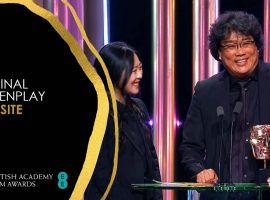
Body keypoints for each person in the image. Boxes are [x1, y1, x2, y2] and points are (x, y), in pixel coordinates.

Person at [180, 11, 270, 199]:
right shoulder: (205, 91)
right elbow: (190, 147)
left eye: (246, 43)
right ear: (219, 53)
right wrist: (200, 171)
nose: (240, 52)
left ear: (258, 46)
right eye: (231, 46)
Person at [84, 42, 162, 200]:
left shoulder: (139, 108)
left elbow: (151, 162)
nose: (139, 75)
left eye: (140, 68)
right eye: (133, 71)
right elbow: (101, 173)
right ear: (113, 73)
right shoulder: (97, 113)